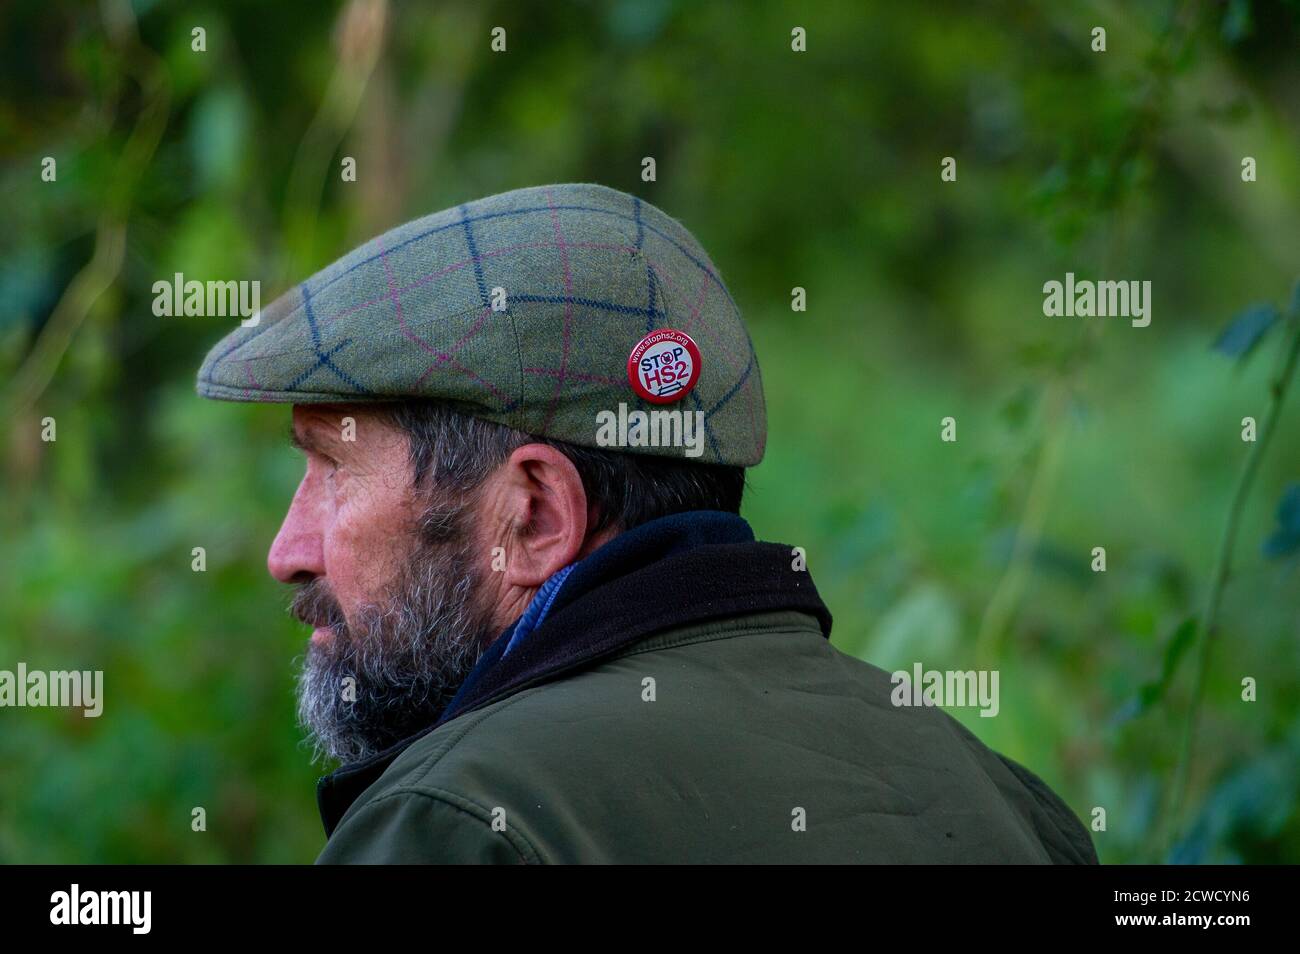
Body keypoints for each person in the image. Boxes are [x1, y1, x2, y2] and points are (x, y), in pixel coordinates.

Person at [195, 182, 1098, 863]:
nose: (287, 551)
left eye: (333, 471)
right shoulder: (1010, 803)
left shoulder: (461, 822)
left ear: (536, 516)